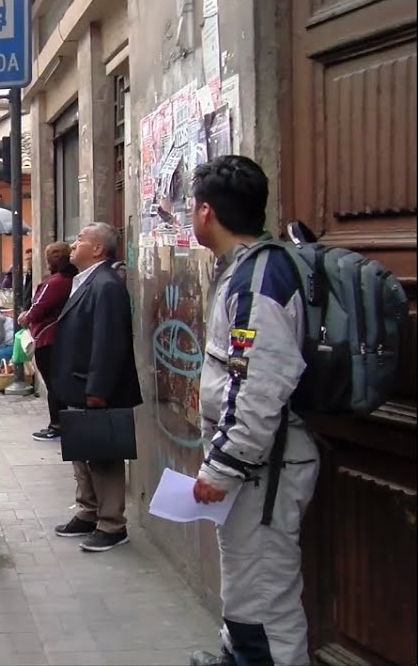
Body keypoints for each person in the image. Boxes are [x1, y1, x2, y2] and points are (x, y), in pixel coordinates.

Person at [186, 156, 318, 666]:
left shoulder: (259, 282)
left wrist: (222, 468)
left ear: (205, 213)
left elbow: (259, 386)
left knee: (266, 597)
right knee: (247, 584)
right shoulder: (248, 271)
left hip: (267, 471)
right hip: (257, 471)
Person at [50, 222, 142, 552]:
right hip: (75, 384)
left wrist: (98, 388)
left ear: (98, 249)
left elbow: (109, 341)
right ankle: (88, 511)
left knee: (103, 458)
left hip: (95, 388)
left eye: (80, 240)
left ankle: (112, 523)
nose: (73, 245)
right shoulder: (83, 280)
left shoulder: (107, 285)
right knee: (82, 454)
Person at [19, 242, 78, 441]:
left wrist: (25, 317)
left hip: (48, 338)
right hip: (63, 338)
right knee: (58, 383)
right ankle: (62, 422)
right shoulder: (73, 280)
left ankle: (57, 425)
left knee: (53, 384)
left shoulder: (55, 282)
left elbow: (37, 307)